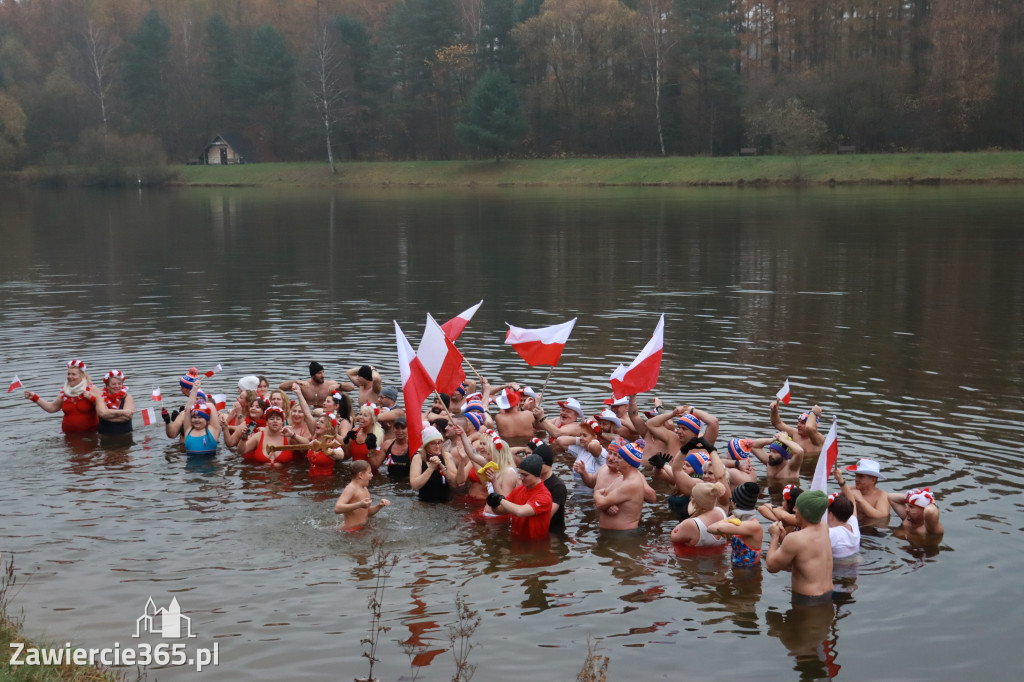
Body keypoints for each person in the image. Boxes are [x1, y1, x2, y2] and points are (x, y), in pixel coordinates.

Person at [766, 490, 834, 604]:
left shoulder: (795, 539)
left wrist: (775, 537)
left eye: (797, 507)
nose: (793, 510)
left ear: (804, 512)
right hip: (828, 595)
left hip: (807, 601)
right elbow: (804, 554)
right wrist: (783, 539)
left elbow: (771, 567)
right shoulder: (823, 526)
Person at [488, 454, 553, 541]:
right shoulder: (518, 490)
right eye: (520, 474)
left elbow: (520, 512)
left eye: (525, 475)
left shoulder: (544, 496)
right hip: (516, 541)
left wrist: (500, 499)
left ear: (537, 475)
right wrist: (494, 504)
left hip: (535, 545)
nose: (521, 478)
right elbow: (501, 511)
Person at [26, 359, 101, 433]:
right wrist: (35, 398)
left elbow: (103, 409)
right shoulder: (65, 391)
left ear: (82, 375)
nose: (70, 376)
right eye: (68, 374)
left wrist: (91, 398)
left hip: (89, 435)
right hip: (68, 435)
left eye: (73, 374)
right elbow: (52, 408)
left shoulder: (91, 389)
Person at [591, 441, 649, 531]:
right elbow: (604, 499)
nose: (616, 460)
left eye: (619, 458)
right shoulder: (621, 477)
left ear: (628, 463)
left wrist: (596, 494)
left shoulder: (631, 483)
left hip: (623, 536)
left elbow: (600, 504)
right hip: (611, 535)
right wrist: (607, 505)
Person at [706, 482, 764, 566]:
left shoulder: (754, 526)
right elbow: (710, 528)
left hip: (750, 573)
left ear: (734, 503)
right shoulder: (737, 518)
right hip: (738, 568)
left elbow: (720, 528)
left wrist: (729, 524)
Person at [239, 405, 307, 467]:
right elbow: (242, 451)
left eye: (278, 419)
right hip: (261, 476)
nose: (275, 421)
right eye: (271, 419)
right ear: (267, 422)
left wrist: (293, 435)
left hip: (283, 477)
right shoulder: (258, 436)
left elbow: (308, 446)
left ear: (282, 422)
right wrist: (243, 439)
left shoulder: (288, 436)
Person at [334, 461, 390, 530]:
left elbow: (368, 512)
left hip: (361, 529)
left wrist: (379, 506)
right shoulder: (351, 488)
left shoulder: (365, 488)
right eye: (369, 473)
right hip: (350, 532)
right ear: (360, 475)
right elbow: (337, 508)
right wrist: (359, 505)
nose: (372, 475)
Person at [670, 482, 728, 547]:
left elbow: (673, 538)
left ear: (696, 500)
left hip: (694, 556)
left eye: (693, 496)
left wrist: (680, 526)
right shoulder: (721, 511)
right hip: (720, 555)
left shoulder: (690, 523)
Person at [410, 426, 458, 503]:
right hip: (424, 502)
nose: (437, 446)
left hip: (445, 502)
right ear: (426, 445)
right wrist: (431, 468)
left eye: (439, 443)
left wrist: (443, 468)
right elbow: (415, 486)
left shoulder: (447, 456)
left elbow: (455, 483)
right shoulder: (418, 458)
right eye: (433, 443)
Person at [181, 379, 221, 456]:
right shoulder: (188, 430)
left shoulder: (213, 430)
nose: (197, 420)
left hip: (209, 466)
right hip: (191, 467)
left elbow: (211, 406)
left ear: (206, 419)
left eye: (200, 417)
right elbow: (189, 408)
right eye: (194, 417)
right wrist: (194, 389)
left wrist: (201, 402)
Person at [843, 458, 891, 522]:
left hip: (870, 529)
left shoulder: (882, 496)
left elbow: (882, 517)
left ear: (873, 480)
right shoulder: (850, 489)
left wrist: (861, 500)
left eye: (861, 476)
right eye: (856, 476)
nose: (856, 479)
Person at [534, 443, 568, 534]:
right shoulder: (533, 480)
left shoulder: (558, 486)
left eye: (539, 464)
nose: (535, 466)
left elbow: (546, 516)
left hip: (553, 532)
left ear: (547, 464)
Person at [829, 465, 860, 559]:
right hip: (854, 565)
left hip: (838, 570)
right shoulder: (853, 526)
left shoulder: (832, 533)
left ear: (831, 515)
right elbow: (852, 501)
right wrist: (841, 481)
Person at [342, 404, 384, 472]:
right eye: (360, 414)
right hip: (354, 472)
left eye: (365, 415)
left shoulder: (378, 436)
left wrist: (370, 448)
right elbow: (347, 456)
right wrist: (346, 442)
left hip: (369, 475)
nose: (361, 417)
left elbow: (375, 466)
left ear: (373, 419)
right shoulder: (354, 432)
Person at [96, 369, 134, 436]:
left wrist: (107, 416)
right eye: (113, 384)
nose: (117, 386)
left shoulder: (127, 398)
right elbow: (102, 413)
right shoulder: (100, 398)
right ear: (107, 386)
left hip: (126, 436)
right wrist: (123, 412)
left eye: (119, 384)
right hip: (106, 436)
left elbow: (128, 416)